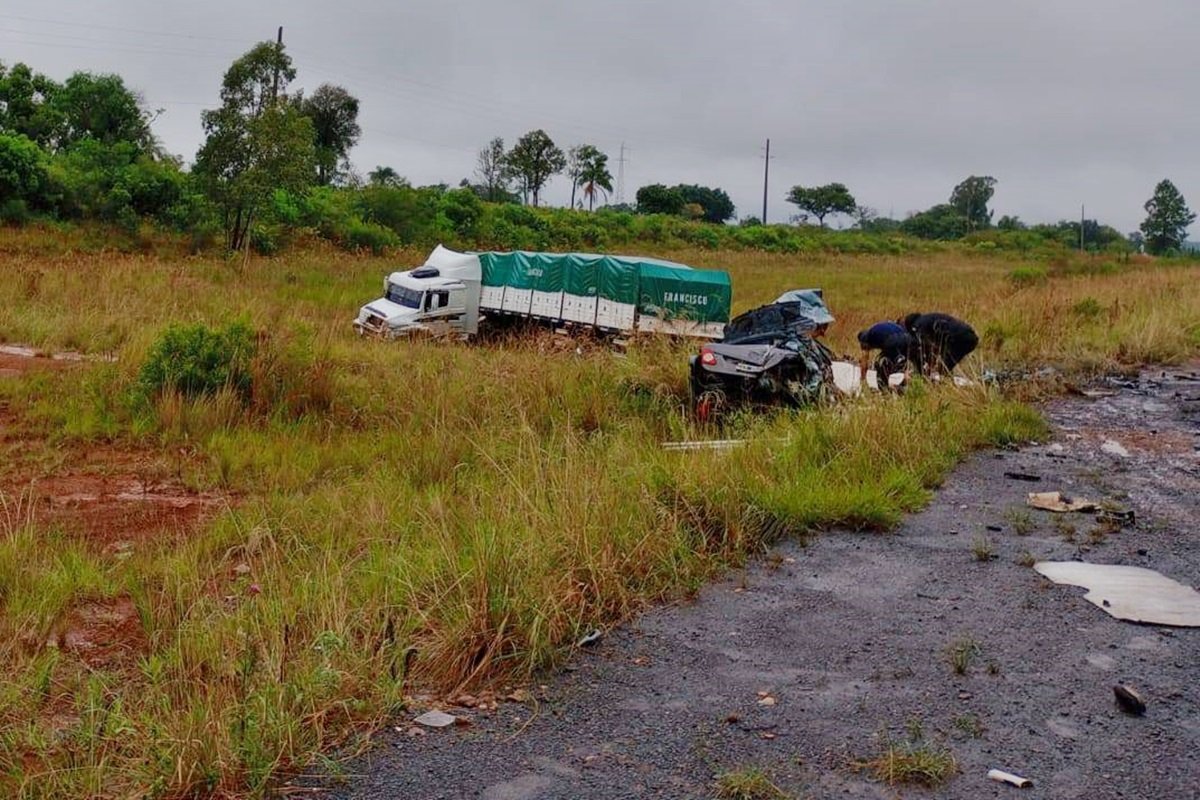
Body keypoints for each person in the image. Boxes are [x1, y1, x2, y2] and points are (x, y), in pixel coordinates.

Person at [902, 312, 978, 376]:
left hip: (957, 339)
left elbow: (926, 346)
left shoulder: (918, 325)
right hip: (971, 336)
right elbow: (936, 347)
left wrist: (927, 365)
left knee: (942, 369)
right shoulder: (929, 319)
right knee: (946, 365)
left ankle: (938, 384)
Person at [857, 320, 915, 391]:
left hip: (892, 340)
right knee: (902, 365)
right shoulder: (875, 331)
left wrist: (862, 378)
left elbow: (864, 360)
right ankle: (912, 383)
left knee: (895, 368)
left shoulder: (865, 337)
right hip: (906, 336)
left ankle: (895, 386)